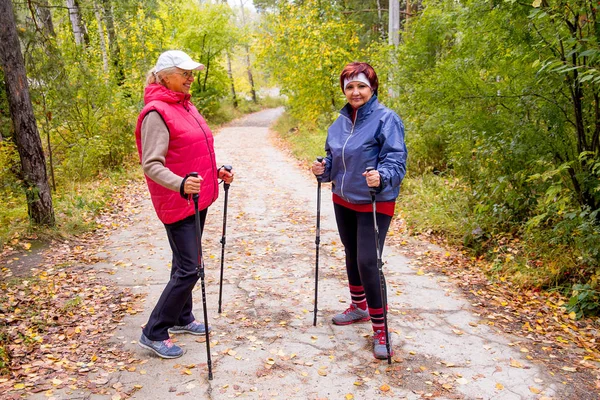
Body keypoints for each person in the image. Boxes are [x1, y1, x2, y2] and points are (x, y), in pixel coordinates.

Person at [134, 50, 234, 359]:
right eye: (184, 73)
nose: (191, 77)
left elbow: (192, 152)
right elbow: (151, 164)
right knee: (190, 268)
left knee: (183, 263)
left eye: (191, 72)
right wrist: (179, 184)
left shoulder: (184, 105)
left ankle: (181, 317)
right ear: (164, 77)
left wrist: (215, 172)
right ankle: (154, 331)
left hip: (196, 199)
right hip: (177, 201)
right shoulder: (156, 112)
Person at [312, 62, 407, 359]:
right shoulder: (339, 122)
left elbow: (396, 161)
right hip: (343, 199)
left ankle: (381, 328)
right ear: (344, 89)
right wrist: (322, 169)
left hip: (374, 201)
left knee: (368, 261)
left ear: (372, 88)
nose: (355, 92)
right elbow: (333, 160)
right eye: (350, 86)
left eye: (361, 86)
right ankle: (358, 307)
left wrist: (382, 176)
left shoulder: (386, 119)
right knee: (351, 254)